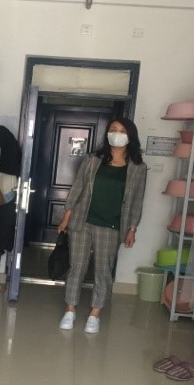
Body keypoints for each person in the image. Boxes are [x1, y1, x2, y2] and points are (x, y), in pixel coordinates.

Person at [57, 117, 147, 334]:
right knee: (76, 267)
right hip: (82, 221)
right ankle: (70, 309)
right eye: (113, 129)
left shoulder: (138, 168)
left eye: (122, 131)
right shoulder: (93, 160)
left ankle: (95, 313)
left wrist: (132, 228)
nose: (117, 134)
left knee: (103, 271)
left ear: (130, 136)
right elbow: (77, 188)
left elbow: (137, 200)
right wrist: (66, 217)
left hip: (111, 225)